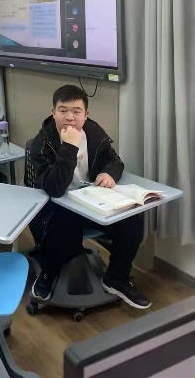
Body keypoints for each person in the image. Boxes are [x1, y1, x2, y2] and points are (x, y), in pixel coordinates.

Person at [28, 85, 149, 309]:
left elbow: (115, 161)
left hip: (91, 202)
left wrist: (109, 173)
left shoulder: (94, 133)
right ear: (53, 113)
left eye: (76, 111)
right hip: (57, 207)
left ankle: (116, 278)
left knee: (133, 221)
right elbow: (55, 188)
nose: (70, 117)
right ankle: (49, 271)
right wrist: (69, 146)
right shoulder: (42, 143)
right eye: (63, 111)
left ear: (86, 114)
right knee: (62, 234)